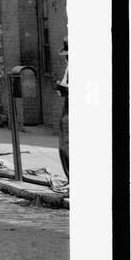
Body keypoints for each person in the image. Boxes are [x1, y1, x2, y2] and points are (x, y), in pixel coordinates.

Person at [56, 41, 69, 188]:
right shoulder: (68, 67)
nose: (66, 58)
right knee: (63, 145)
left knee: (66, 145)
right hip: (67, 105)